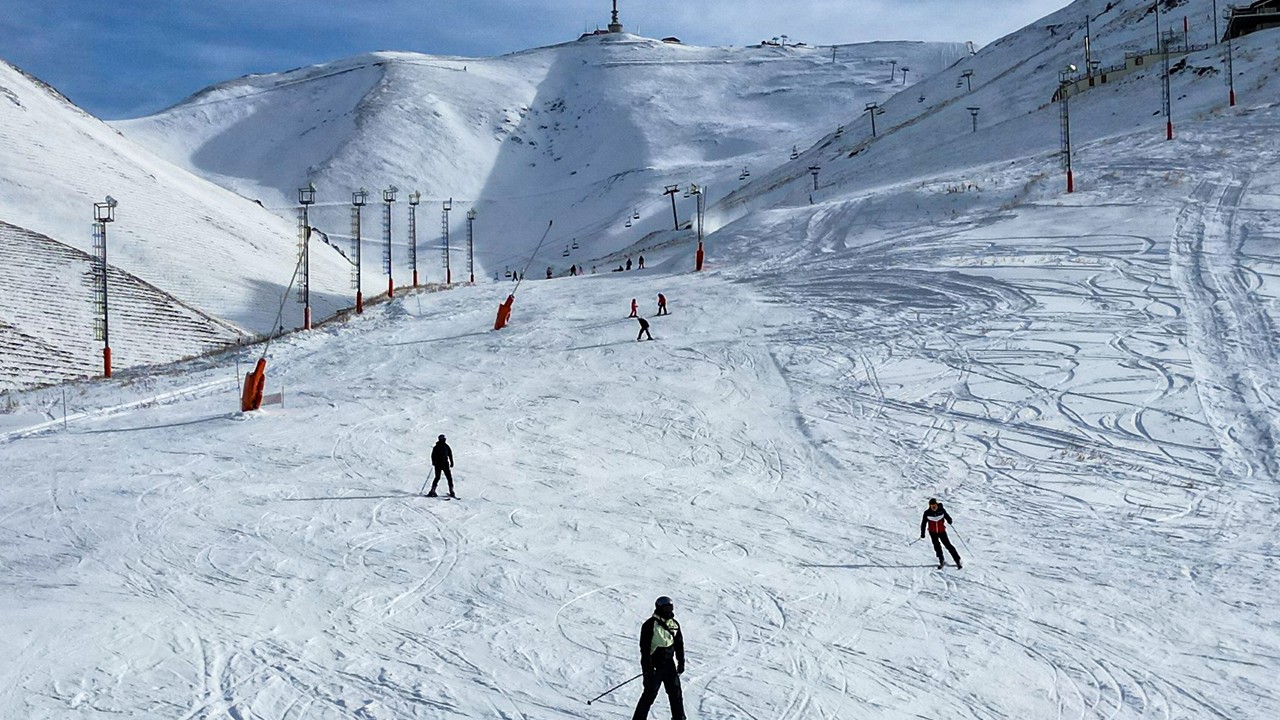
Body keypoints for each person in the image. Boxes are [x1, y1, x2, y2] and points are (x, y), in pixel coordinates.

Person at [632, 596, 685, 720]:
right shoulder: (650, 625)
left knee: (675, 693)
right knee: (650, 694)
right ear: (659, 608)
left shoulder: (674, 624)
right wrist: (648, 668)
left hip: (669, 663)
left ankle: (679, 718)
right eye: (666, 608)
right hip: (654, 664)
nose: (669, 611)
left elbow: (679, 644)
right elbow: (644, 649)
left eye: (670, 608)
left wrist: (681, 662)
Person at [920, 498, 961, 569]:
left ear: (937, 504)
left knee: (948, 545)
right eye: (932, 506)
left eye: (935, 505)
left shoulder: (941, 510)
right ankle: (941, 560)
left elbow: (947, 516)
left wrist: (949, 520)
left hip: (942, 531)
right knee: (937, 547)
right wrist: (922, 533)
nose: (934, 507)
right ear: (930, 506)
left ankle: (957, 560)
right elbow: (923, 523)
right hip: (933, 533)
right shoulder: (927, 513)